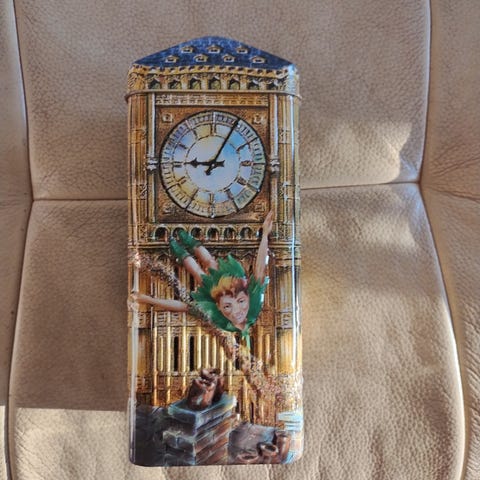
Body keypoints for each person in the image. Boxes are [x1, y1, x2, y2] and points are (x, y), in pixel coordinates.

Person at [132, 211, 274, 348]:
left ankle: (180, 252)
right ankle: (188, 241)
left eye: (227, 307)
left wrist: (147, 299)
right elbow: (260, 267)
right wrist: (265, 235)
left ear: (219, 307)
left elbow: (184, 307)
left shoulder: (220, 320)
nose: (237, 311)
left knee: (199, 274)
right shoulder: (254, 306)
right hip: (233, 281)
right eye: (241, 302)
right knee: (210, 263)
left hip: (215, 293)